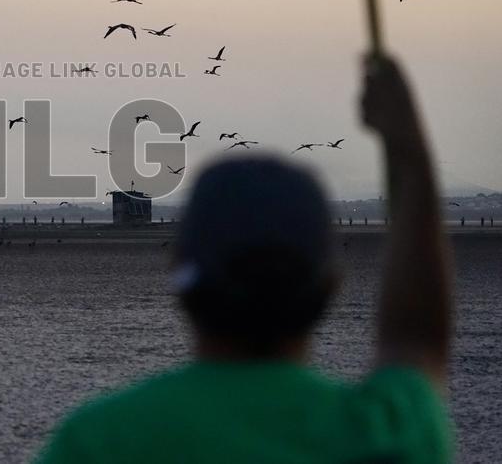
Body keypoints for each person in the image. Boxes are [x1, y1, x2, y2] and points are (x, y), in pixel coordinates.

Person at [36, 53, 453, 463]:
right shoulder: (381, 435)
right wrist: (409, 146)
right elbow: (415, 341)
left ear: (179, 275)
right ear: (330, 285)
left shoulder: (98, 441)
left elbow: (416, 342)